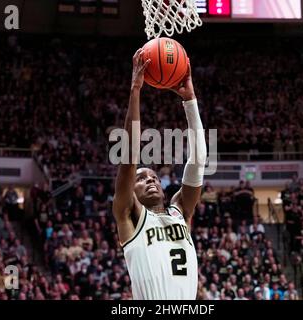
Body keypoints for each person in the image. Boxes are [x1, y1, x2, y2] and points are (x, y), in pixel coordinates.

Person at [112, 49, 206, 300]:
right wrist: (135, 90)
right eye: (141, 178)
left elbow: (198, 162)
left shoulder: (181, 211)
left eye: (153, 177)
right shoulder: (129, 215)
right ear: (130, 190)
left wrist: (190, 102)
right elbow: (129, 156)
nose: (150, 180)